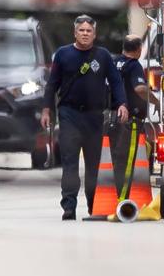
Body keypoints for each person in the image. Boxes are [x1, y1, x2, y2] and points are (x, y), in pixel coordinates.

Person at [41, 15, 129, 220]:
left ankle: (94, 206)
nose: (85, 34)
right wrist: (47, 109)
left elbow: (116, 82)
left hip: (94, 116)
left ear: (94, 34)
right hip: (69, 114)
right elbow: (52, 84)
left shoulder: (103, 56)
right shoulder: (63, 55)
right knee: (70, 162)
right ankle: (69, 207)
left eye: (89, 31)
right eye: (81, 30)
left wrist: (122, 105)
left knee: (93, 164)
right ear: (75, 32)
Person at [109, 35, 149, 202]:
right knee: (126, 160)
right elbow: (139, 88)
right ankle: (123, 199)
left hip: (112, 116)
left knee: (114, 158)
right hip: (130, 119)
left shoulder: (113, 62)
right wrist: (155, 99)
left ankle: (115, 197)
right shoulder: (134, 66)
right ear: (139, 50)